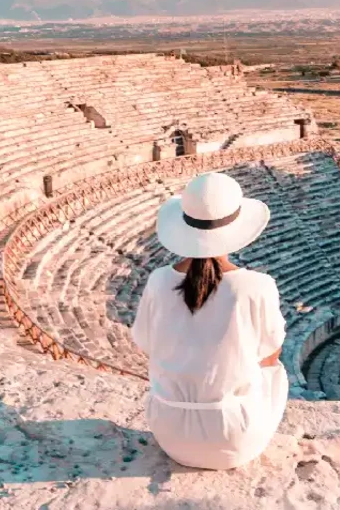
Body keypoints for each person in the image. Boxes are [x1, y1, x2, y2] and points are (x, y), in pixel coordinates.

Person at [131, 172, 288, 470]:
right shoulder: (256, 285)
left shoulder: (157, 281)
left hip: (169, 432)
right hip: (234, 437)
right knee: (273, 373)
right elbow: (270, 356)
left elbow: (146, 344)